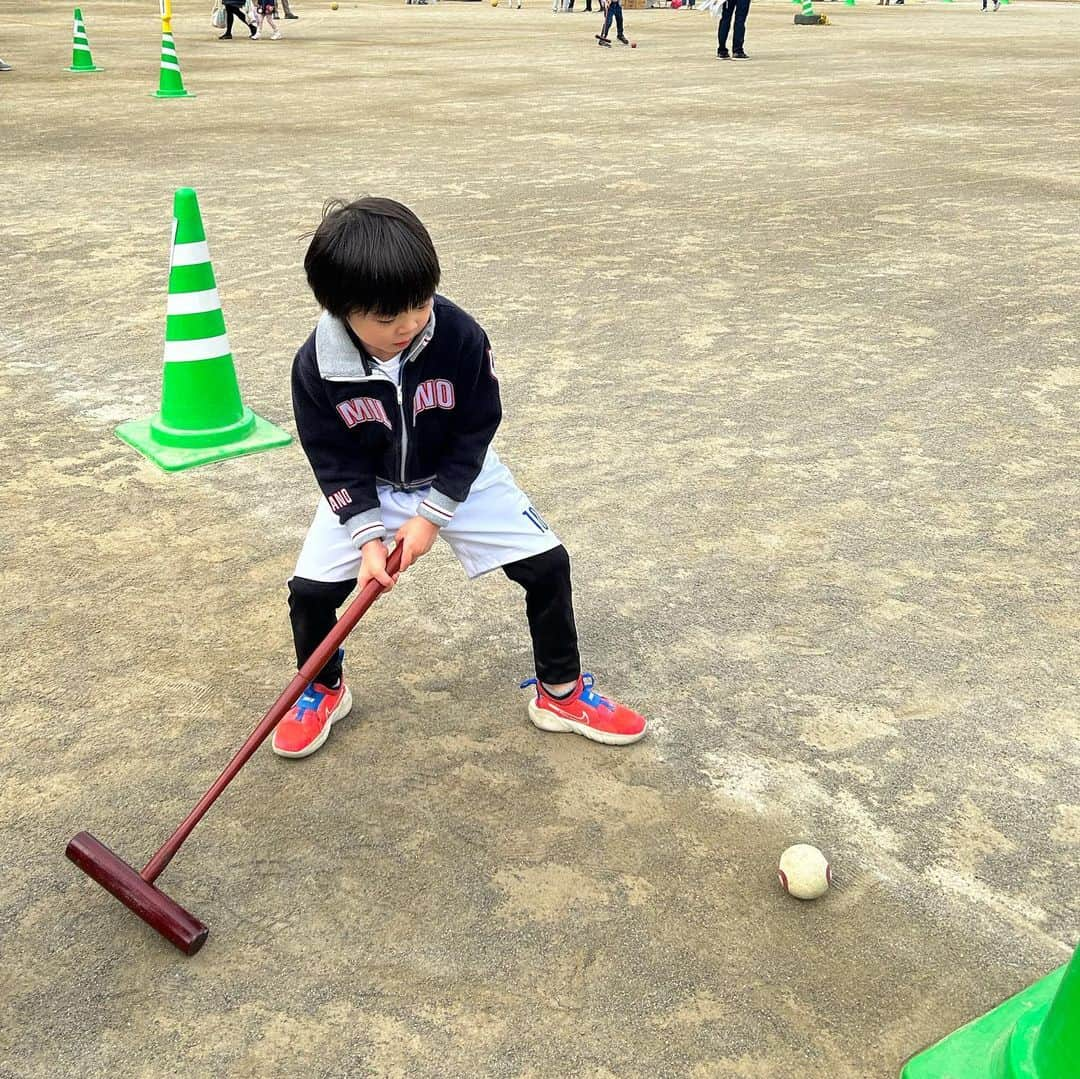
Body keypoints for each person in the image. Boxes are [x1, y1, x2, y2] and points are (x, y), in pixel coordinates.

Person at [273, 197, 648, 759]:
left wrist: (431, 517)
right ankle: (322, 689)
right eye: (385, 317)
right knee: (309, 594)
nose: (409, 324)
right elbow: (332, 459)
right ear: (339, 310)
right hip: (370, 486)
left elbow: (476, 429)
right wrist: (366, 535)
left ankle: (561, 693)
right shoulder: (316, 367)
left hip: (456, 478)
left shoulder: (459, 336)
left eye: (419, 304)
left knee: (548, 565)